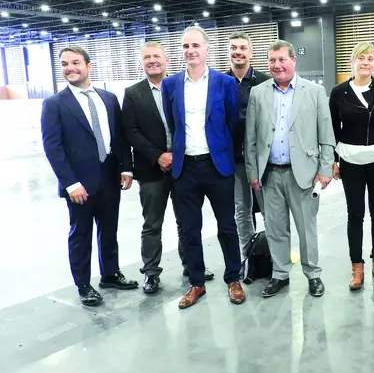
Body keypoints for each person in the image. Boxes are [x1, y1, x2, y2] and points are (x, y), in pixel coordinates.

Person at [41, 45, 137, 307]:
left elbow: (119, 138)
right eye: (64, 64)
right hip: (79, 184)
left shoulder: (107, 98)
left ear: (88, 66)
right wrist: (70, 184)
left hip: (109, 176)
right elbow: (53, 148)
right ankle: (83, 284)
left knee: (109, 230)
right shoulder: (55, 104)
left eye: (75, 63)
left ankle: (110, 274)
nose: (69, 68)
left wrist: (126, 167)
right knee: (81, 234)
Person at [161, 25, 245, 309]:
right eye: (186, 46)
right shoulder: (171, 85)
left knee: (227, 226)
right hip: (185, 169)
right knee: (189, 230)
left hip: (217, 166)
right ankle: (196, 283)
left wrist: (223, 152)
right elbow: (172, 126)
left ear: (207, 50)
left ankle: (234, 278)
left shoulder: (225, 83)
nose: (190, 51)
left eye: (195, 46)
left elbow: (233, 123)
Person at [245, 39, 335, 298]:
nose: (277, 65)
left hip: (304, 174)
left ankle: (313, 274)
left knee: (307, 229)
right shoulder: (258, 93)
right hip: (269, 173)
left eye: (282, 59)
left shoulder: (314, 92)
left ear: (294, 61)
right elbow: (250, 139)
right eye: (272, 61)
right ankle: (280, 274)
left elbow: (326, 134)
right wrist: (253, 173)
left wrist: (325, 169)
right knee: (275, 228)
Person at [123, 42, 215, 294]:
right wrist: (157, 156)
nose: (152, 61)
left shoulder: (179, 86)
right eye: (147, 57)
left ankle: (192, 265)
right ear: (141, 62)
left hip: (183, 166)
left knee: (186, 221)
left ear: (166, 60)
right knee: (152, 223)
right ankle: (151, 272)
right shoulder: (132, 93)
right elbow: (131, 131)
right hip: (152, 170)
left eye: (156, 56)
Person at [329, 42, 374, 290]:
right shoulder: (339, 93)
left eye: (371, 59)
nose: (366, 63)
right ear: (353, 62)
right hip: (350, 160)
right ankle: (356, 267)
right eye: (362, 58)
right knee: (355, 214)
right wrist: (333, 158)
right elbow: (332, 129)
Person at [225, 31, 270, 260]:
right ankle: (248, 256)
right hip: (234, 160)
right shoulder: (220, 83)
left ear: (250, 52)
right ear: (228, 51)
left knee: (270, 210)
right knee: (242, 211)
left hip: (263, 159)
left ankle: (274, 254)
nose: (238, 52)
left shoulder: (265, 82)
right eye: (234, 48)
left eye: (243, 47)